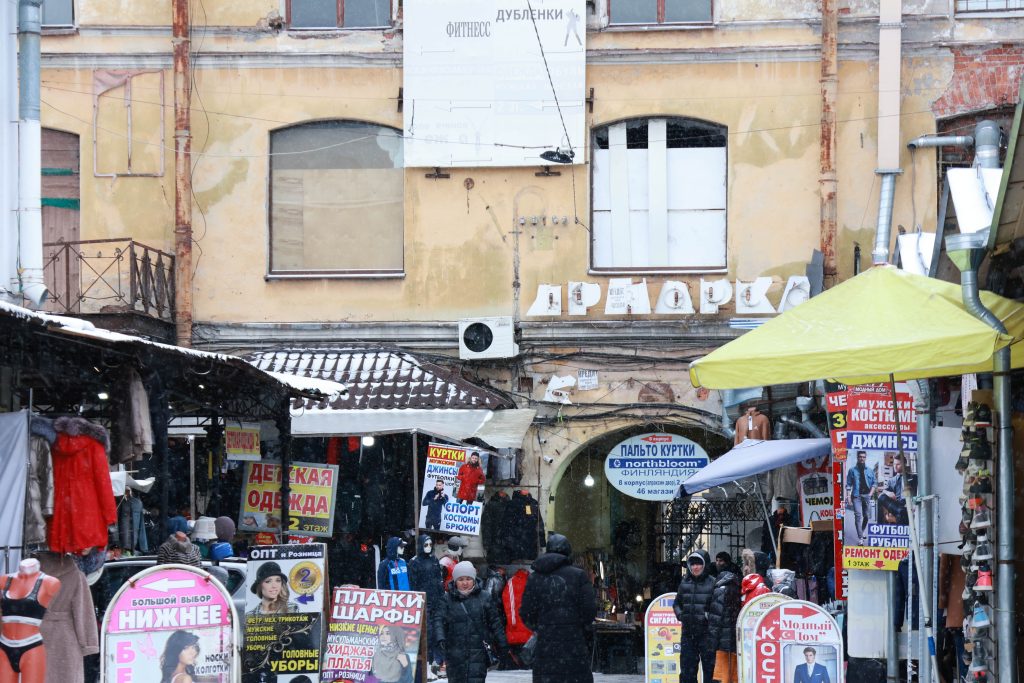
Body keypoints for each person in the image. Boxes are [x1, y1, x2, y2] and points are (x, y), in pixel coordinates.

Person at [519, 533, 596, 683]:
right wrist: (576, 626)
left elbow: (526, 612)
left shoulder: (535, 577)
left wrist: (542, 626)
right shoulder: (578, 576)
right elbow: (589, 610)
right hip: (574, 645)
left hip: (545, 646)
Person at [433, 561, 508, 683]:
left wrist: (502, 644)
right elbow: (438, 620)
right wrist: (440, 638)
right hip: (454, 653)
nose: (465, 583)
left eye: (468, 579)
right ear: (455, 580)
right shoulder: (447, 599)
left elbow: (495, 622)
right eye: (461, 579)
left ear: (474, 579)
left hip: (478, 652)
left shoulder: (484, 597)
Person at [672, 551, 716, 683]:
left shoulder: (713, 583)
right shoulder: (684, 582)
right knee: (687, 670)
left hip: (707, 635)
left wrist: (708, 617)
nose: (695, 567)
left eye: (699, 564)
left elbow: (718, 607)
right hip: (688, 634)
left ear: (705, 565)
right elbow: (676, 603)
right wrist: (681, 615)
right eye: (693, 564)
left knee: (710, 670)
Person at [408, 534, 444, 677]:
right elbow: (413, 584)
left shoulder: (434, 560)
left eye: (430, 544)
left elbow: (438, 580)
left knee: (437, 632)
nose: (428, 547)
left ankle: (437, 662)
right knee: (426, 634)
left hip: (436, 601)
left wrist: (442, 597)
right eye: (426, 545)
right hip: (423, 603)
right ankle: (426, 666)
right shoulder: (414, 562)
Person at [707, 568, 741, 683]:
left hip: (722, 640)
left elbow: (715, 619)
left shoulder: (719, 591)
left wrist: (711, 643)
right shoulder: (738, 589)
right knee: (734, 673)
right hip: (735, 640)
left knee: (721, 675)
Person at [845, 451, 876, 538]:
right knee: (858, 516)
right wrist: (848, 496)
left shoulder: (870, 470)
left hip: (867, 496)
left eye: (863, 457)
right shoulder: (852, 470)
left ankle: (861, 531)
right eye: (860, 457)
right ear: (857, 458)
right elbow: (848, 484)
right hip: (856, 496)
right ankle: (860, 538)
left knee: (866, 516)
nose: (862, 458)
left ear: (865, 458)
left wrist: (870, 494)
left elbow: (874, 483)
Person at [878, 458, 909, 525]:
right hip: (896, 505)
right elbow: (883, 495)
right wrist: (887, 492)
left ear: (904, 465)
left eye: (898, 464)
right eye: (894, 464)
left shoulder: (913, 478)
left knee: (901, 514)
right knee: (881, 497)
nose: (895, 466)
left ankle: (898, 518)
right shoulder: (891, 481)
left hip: (908, 504)